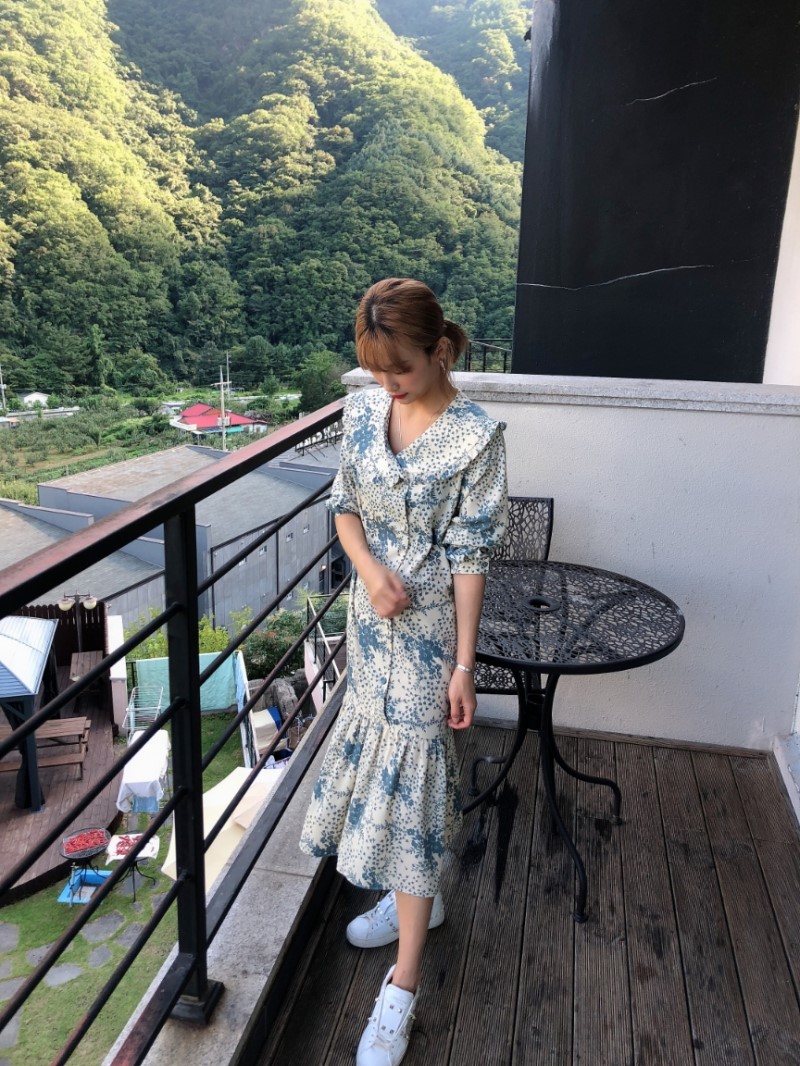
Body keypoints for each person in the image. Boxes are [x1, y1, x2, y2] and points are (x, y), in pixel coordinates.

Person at [300, 277, 508, 1066]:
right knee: (380, 772)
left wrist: (464, 664)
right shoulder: (362, 411)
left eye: (402, 369)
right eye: (376, 369)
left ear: (440, 350)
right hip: (369, 626)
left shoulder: (476, 437)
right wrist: (368, 570)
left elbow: (471, 558)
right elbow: (344, 504)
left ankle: (404, 986)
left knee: (413, 790)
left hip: (428, 641)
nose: (388, 384)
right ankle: (413, 900)